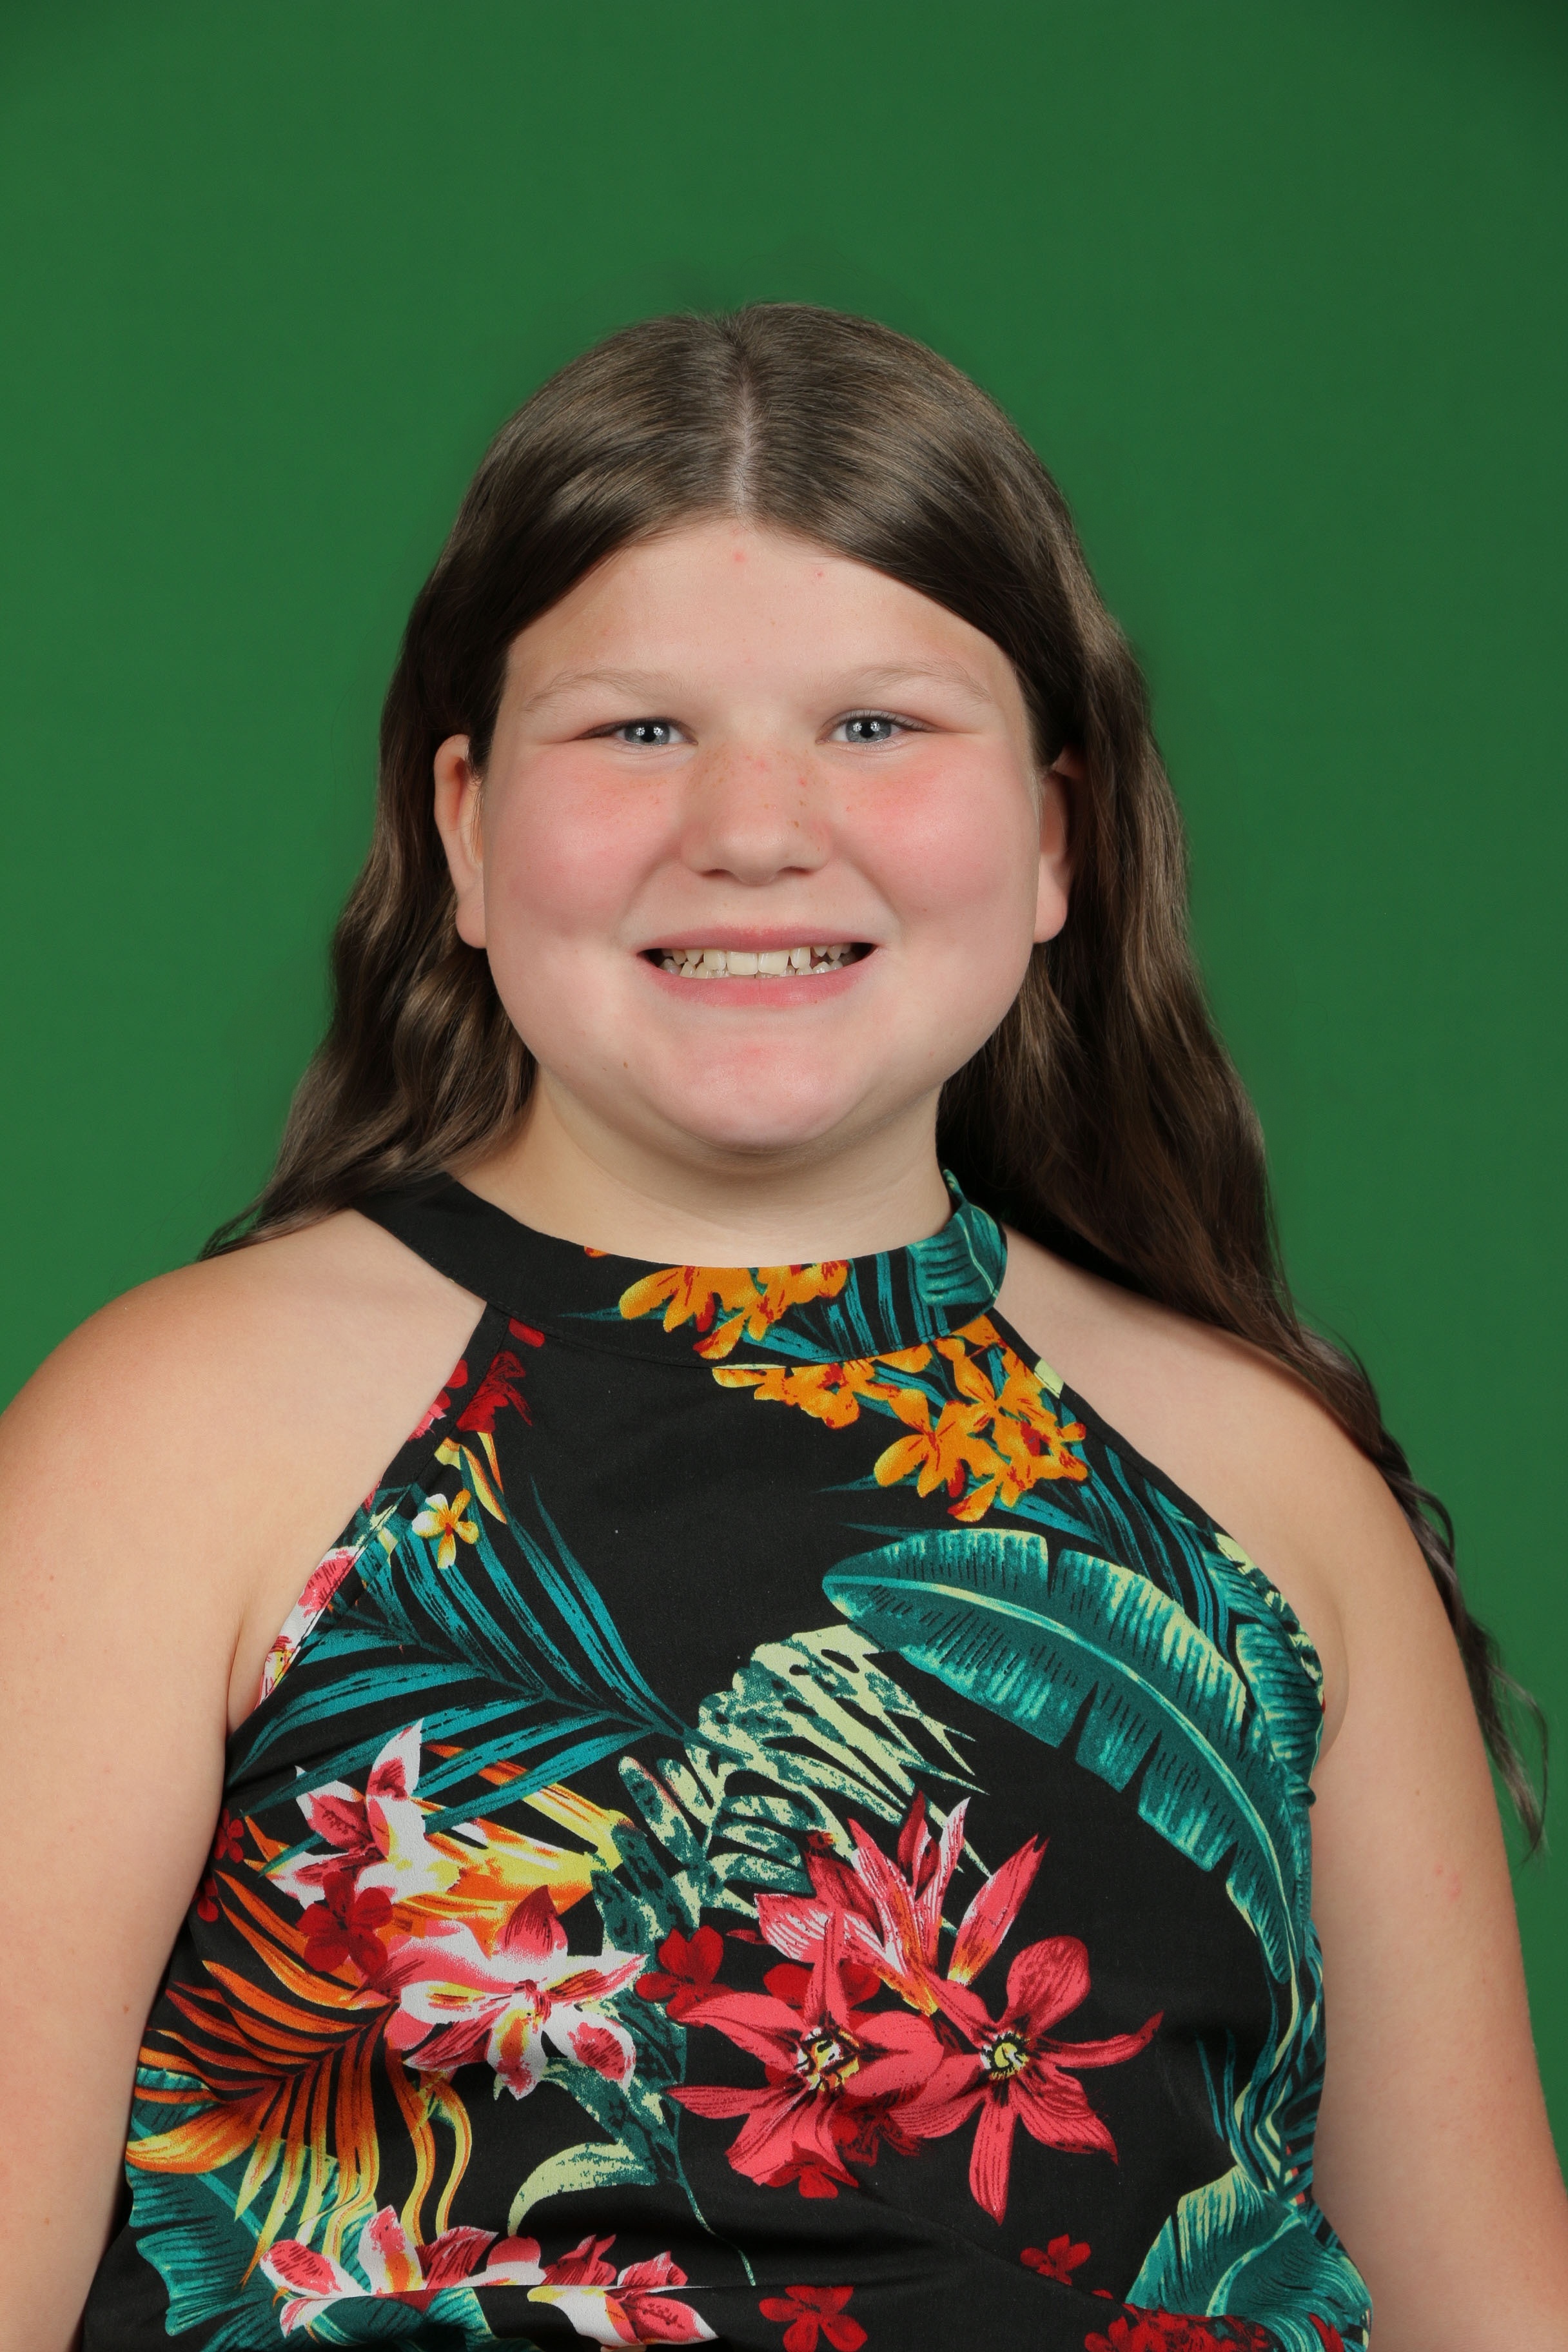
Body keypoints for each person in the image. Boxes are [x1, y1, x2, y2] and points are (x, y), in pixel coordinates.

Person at [3, 306, 1563, 2352]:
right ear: (464, 828)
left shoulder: (1271, 1495)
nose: (753, 827)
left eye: (878, 726)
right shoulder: (171, 1440)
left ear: (1059, 838)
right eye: (638, 732)